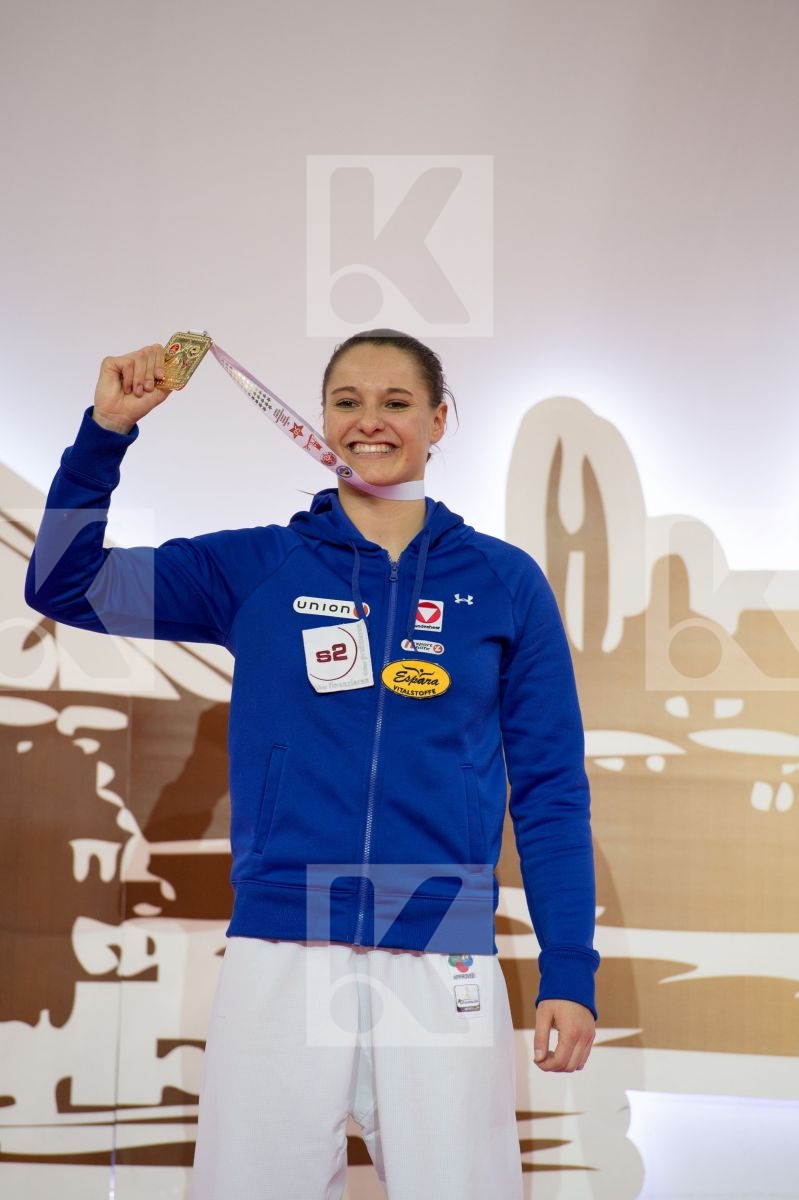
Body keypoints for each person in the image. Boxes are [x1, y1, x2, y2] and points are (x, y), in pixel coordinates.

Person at [25, 330, 599, 1199]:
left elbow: (551, 791)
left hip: (438, 941)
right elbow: (66, 585)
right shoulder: (256, 567)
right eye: (347, 402)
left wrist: (568, 969)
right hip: (281, 941)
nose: (370, 423)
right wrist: (106, 432)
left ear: (439, 420)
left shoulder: (503, 582)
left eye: (396, 403)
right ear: (320, 418)